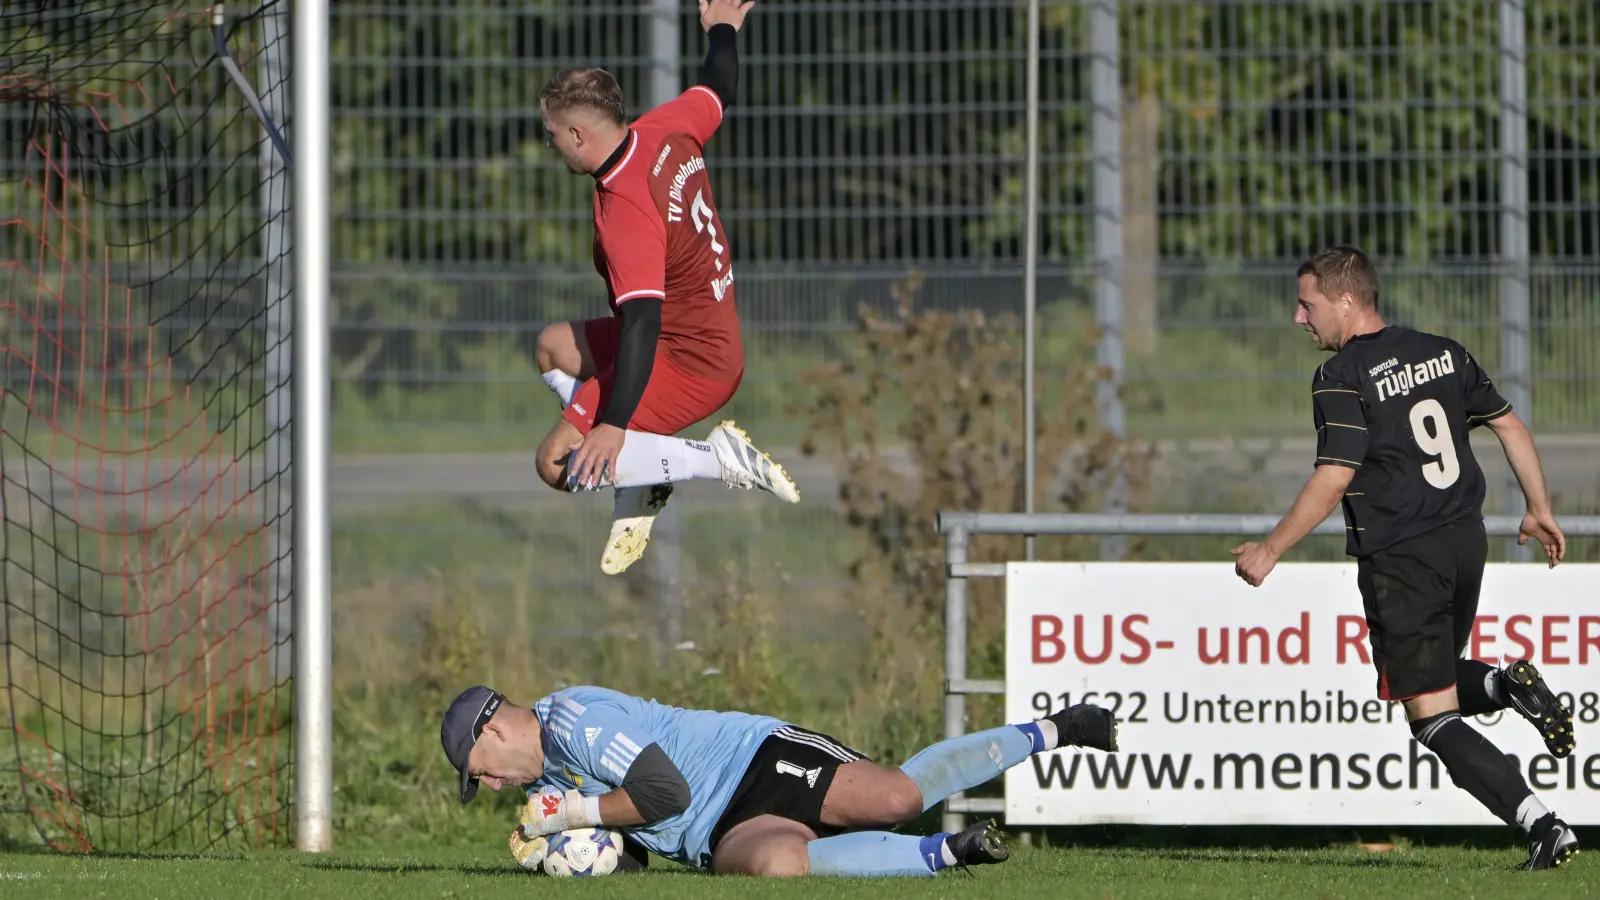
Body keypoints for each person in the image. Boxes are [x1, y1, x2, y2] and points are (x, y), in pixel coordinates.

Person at [1229, 245, 1578, 871]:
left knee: (1430, 718)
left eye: (1306, 305)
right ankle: (1504, 684)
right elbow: (1510, 426)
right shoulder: (1444, 351)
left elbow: (1335, 476)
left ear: (1345, 300)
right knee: (1435, 678)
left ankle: (1543, 826)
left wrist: (1270, 549)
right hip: (1464, 540)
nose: (1298, 319)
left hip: (1401, 553)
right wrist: (1538, 507)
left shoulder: (1341, 375)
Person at [532, 0, 799, 577]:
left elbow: (644, 323)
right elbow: (718, 84)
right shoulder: (664, 127)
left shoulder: (625, 209)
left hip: (689, 364)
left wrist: (614, 422)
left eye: (551, 134)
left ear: (578, 133)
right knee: (553, 345)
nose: (550, 144)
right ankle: (643, 475)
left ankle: (711, 459)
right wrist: (723, 27)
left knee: (556, 462)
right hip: (701, 339)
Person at [439, 684, 1118, 877]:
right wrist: (576, 859)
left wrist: (572, 819)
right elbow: (633, 842)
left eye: (482, 774)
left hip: (754, 758)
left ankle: (1059, 728)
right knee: (777, 865)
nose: (492, 787)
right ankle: (949, 854)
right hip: (719, 832)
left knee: (896, 798)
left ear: (493, 732)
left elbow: (663, 793)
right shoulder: (547, 782)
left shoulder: (575, 719)